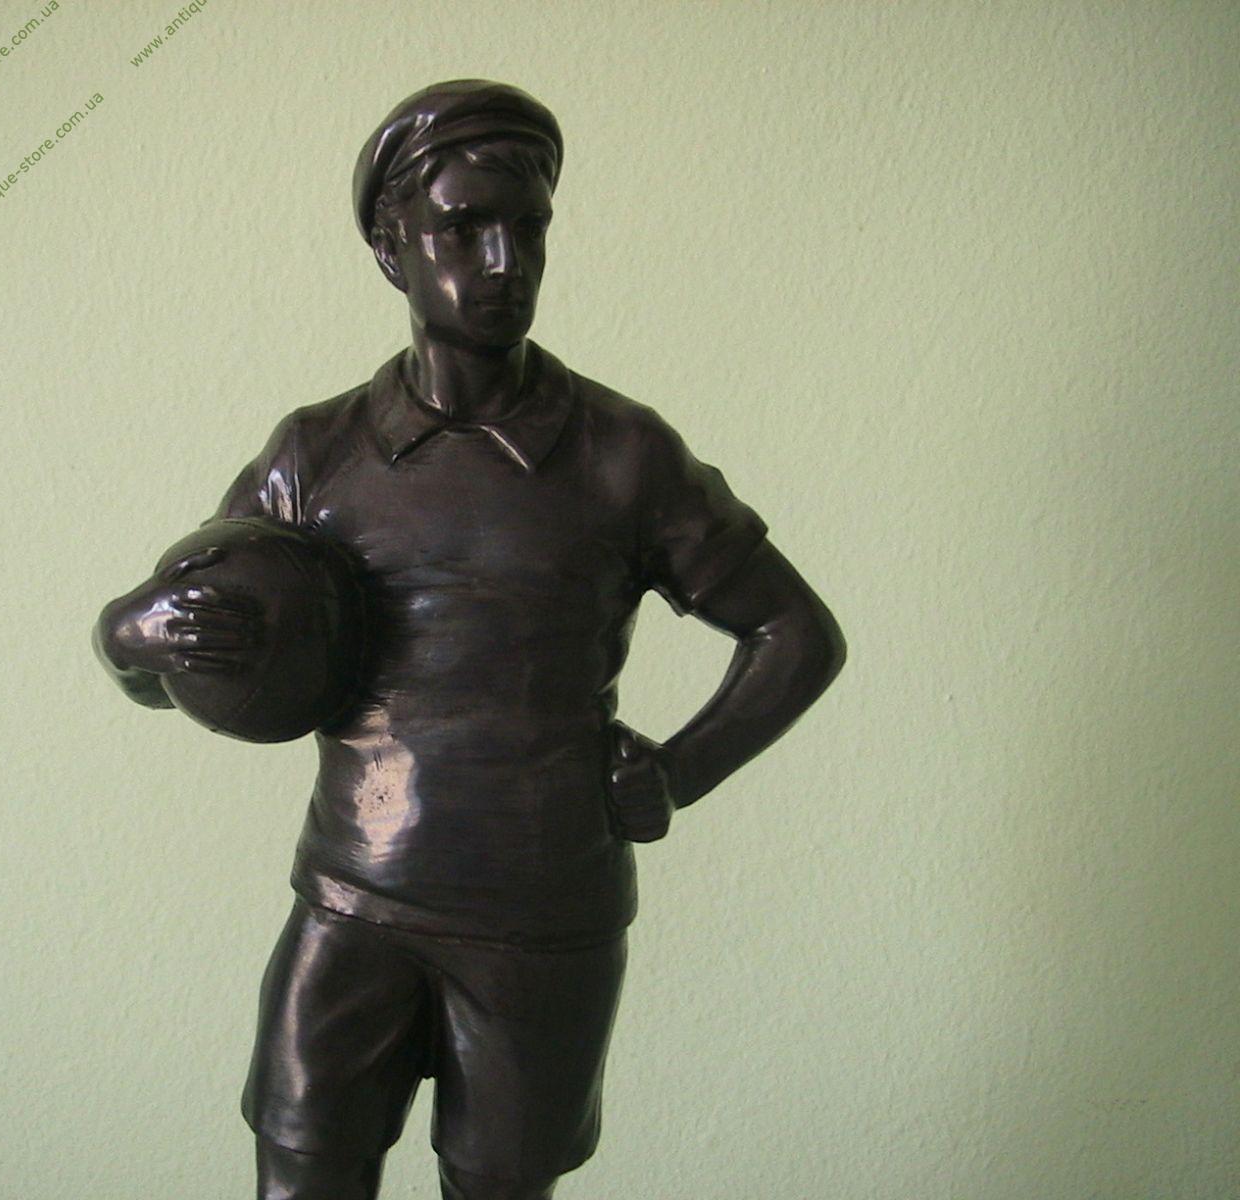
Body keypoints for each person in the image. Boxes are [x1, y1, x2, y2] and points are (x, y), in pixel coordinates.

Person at [94, 79, 846, 1200]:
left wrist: (680, 771)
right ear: (392, 248)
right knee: (301, 1173)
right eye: (463, 228)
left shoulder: (623, 455)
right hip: (351, 903)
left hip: (542, 924)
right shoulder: (315, 456)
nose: (504, 261)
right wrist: (134, 633)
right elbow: (162, 664)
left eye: (528, 227)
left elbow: (797, 634)